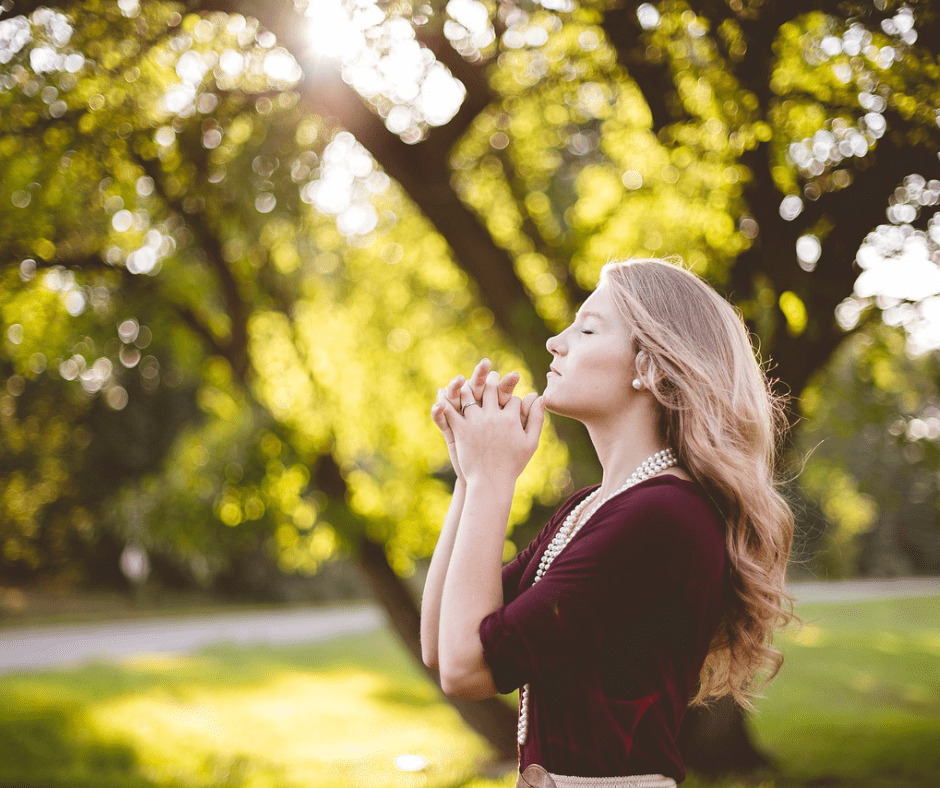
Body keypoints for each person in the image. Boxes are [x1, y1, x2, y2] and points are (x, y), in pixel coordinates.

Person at [420, 258, 794, 788]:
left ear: (651, 368)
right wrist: (470, 474)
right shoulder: (594, 507)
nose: (556, 340)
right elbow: (441, 644)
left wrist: (492, 480)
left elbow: (467, 670)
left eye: (588, 328)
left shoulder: (660, 518)